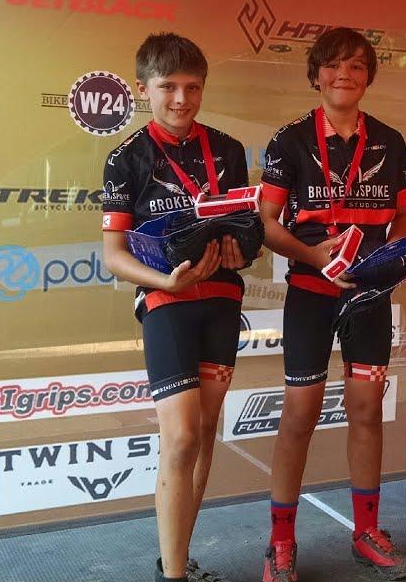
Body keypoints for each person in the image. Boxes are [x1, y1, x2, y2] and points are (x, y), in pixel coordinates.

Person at [258, 28, 406, 582]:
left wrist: (390, 259)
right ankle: (280, 542)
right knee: (299, 416)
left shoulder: (391, 141)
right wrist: (311, 251)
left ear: (368, 75)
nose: (343, 74)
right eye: (331, 65)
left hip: (369, 297)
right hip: (310, 294)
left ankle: (367, 530)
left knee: (368, 410)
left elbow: (404, 219)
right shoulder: (289, 141)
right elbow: (267, 225)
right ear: (315, 75)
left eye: (355, 65)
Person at [101, 32, 249, 582]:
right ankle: (174, 578)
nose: (182, 99)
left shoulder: (228, 150)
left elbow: (241, 226)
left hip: (222, 300)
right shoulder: (126, 158)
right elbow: (114, 255)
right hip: (166, 299)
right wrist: (164, 277)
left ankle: (178, 559)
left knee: (206, 431)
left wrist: (239, 247)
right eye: (168, 87)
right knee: (181, 436)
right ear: (144, 88)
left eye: (192, 87)